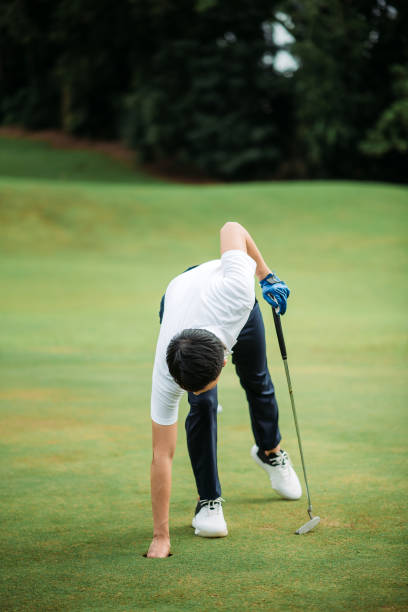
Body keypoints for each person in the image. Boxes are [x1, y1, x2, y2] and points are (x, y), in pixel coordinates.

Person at [147, 221, 301, 558]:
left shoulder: (237, 291)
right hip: (181, 297)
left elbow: (231, 228)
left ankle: (270, 451)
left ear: (223, 363)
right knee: (201, 407)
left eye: (205, 385)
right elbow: (162, 454)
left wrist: (266, 275)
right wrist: (161, 536)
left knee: (258, 379)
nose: (200, 390)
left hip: (226, 302)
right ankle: (208, 501)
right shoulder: (166, 368)